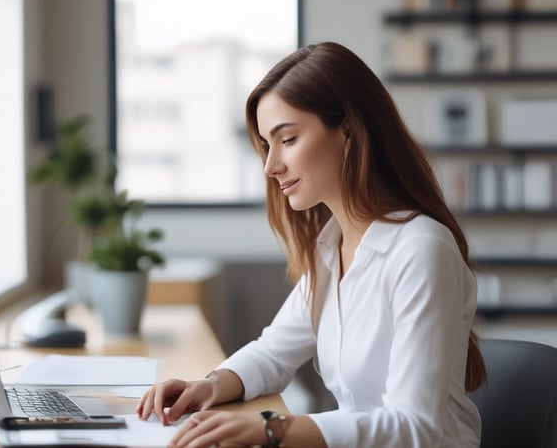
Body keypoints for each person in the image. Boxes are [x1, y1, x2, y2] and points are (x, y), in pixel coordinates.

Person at [137, 42, 486, 447]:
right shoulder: (331, 247)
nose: (270, 167)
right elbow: (273, 353)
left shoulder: (421, 249)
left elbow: (414, 427)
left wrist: (274, 428)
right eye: (267, 146)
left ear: (349, 131)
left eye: (287, 140)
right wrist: (210, 385)